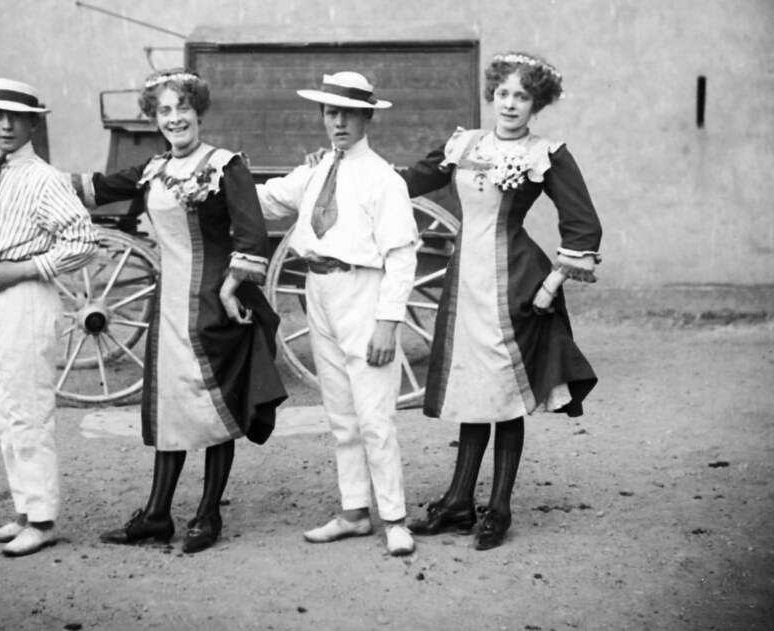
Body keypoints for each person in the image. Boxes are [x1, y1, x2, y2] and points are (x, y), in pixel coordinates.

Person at [72, 68, 287, 555]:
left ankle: (207, 514)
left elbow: (251, 233)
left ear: (198, 111)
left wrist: (233, 287)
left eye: (182, 109)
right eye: (164, 111)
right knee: (170, 405)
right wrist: (30, 179)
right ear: (155, 119)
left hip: (215, 305)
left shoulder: (225, 165)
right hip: (168, 309)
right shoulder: (152, 170)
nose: (175, 119)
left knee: (216, 405)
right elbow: (96, 188)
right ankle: (155, 515)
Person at [400, 52, 602, 551]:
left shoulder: (546, 153)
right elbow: (406, 182)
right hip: (463, 285)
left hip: (515, 287)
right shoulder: (464, 144)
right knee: (474, 388)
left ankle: (500, 508)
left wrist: (551, 285)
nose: (510, 104)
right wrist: (348, 167)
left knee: (505, 394)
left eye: (522, 96)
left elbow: (583, 225)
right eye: (503, 93)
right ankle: (457, 501)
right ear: (491, 95)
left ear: (537, 104)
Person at [255, 71, 419, 557]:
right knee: (340, 415)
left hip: (363, 293)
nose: (339, 121)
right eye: (331, 112)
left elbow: (402, 256)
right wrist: (219, 178)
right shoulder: (317, 169)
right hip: (318, 290)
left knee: (374, 416)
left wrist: (388, 323)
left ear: (368, 117)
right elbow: (268, 201)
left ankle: (394, 518)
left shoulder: (383, 179)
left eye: (349, 112)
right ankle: (353, 512)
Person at [0, 77, 97, 557]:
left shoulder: (44, 179)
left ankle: (42, 520)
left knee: (29, 409)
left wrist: (22, 268)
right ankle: (23, 511)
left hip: (26, 297)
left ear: (31, 123)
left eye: (15, 117)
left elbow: (83, 241)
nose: (5, 124)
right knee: (4, 411)